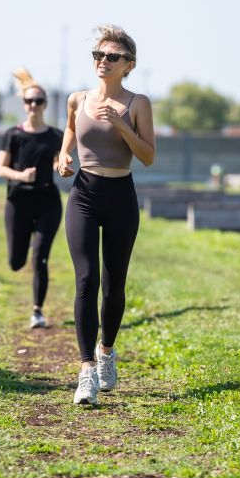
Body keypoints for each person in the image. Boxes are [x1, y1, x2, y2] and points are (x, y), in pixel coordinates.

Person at [58, 25, 155, 404]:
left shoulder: (138, 103)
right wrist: (62, 156)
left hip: (120, 196)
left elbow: (148, 157)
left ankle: (106, 351)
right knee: (86, 280)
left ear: (128, 65)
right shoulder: (77, 99)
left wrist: (120, 124)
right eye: (98, 55)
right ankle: (86, 372)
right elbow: (69, 132)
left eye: (112, 57)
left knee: (114, 285)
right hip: (83, 194)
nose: (103, 61)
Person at [0, 69, 63, 329]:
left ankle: (37, 311)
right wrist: (21, 176)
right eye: (29, 101)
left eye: (38, 101)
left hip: (48, 201)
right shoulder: (13, 134)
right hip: (18, 201)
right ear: (23, 104)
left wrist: (61, 165)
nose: (33, 105)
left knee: (40, 257)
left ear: (45, 104)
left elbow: (60, 161)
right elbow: (1, 169)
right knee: (16, 262)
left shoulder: (56, 136)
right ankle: (20, 249)